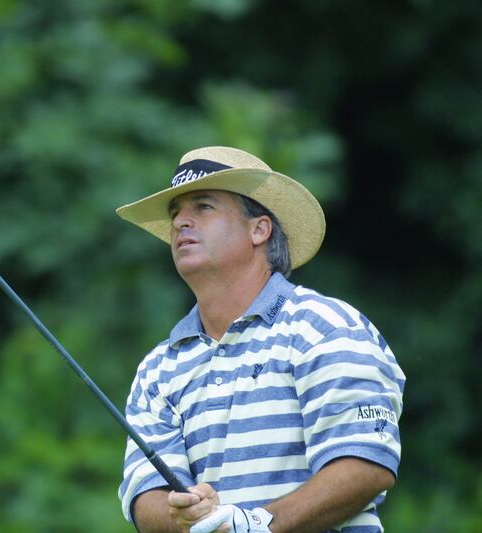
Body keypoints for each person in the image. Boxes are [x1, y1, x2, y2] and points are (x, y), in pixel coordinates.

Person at [115, 147, 405, 533]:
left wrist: (256, 524)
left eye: (202, 206)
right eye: (175, 213)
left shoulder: (324, 326)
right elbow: (145, 499)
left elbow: (366, 465)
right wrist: (185, 514)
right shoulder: (158, 368)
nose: (181, 221)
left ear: (259, 229)